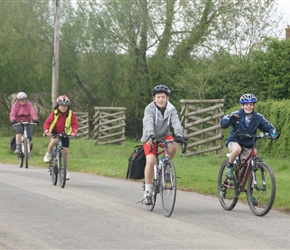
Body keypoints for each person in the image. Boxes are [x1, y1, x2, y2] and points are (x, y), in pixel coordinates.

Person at [140, 84, 184, 205]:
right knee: (150, 161)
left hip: (164, 135)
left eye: (163, 97)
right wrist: (150, 134)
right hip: (150, 137)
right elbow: (148, 122)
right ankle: (148, 192)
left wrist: (179, 135)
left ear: (167, 98)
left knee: (174, 144)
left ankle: (165, 166)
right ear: (154, 98)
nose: (161, 99)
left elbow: (176, 122)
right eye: (158, 97)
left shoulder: (172, 109)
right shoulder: (149, 109)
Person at [220, 93, 278, 180]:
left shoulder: (258, 117)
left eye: (251, 104)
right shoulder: (236, 114)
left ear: (254, 106)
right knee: (237, 149)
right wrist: (230, 121)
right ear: (242, 105)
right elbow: (223, 122)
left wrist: (272, 134)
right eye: (246, 104)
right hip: (235, 140)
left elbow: (269, 127)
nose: (248, 107)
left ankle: (250, 192)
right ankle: (229, 167)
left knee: (250, 167)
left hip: (248, 144)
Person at [43, 94, 78, 180]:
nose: (63, 108)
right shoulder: (54, 113)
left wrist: (74, 132)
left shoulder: (70, 114)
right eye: (61, 105)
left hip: (65, 132)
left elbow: (75, 124)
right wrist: (47, 131)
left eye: (65, 106)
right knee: (54, 141)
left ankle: (65, 170)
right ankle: (49, 154)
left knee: (65, 151)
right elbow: (47, 123)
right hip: (55, 131)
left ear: (68, 107)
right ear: (58, 106)